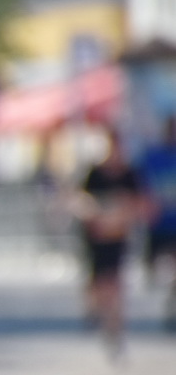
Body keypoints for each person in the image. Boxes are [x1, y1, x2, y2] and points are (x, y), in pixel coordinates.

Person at [74, 130, 147, 360]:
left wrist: (124, 211)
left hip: (118, 236)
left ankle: (114, 328)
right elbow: (79, 200)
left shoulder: (129, 174)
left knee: (115, 283)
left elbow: (144, 203)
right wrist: (95, 211)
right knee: (97, 281)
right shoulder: (95, 173)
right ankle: (97, 311)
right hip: (95, 237)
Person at [138, 116, 176, 330]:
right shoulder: (153, 156)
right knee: (154, 266)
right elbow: (141, 184)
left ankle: (173, 305)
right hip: (159, 224)